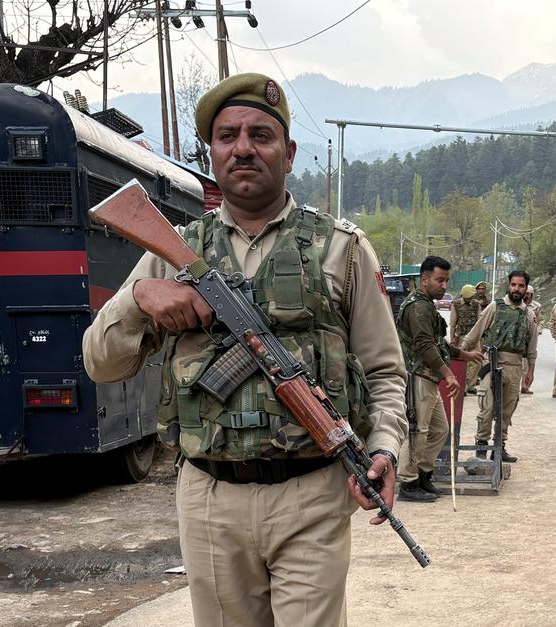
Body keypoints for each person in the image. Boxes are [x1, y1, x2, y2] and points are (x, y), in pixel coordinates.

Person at [82, 73, 407, 626]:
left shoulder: (342, 249)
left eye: (261, 134)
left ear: (289, 151)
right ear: (211, 153)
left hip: (312, 491)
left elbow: (383, 371)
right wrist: (140, 298)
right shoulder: (176, 249)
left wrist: (385, 448)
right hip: (211, 497)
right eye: (228, 135)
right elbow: (100, 361)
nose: (244, 148)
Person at [397, 256, 483, 502]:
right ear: (424, 280)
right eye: (439, 280)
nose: (444, 286)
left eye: (446, 280)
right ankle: (408, 482)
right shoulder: (418, 307)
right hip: (418, 376)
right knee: (417, 431)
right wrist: (449, 374)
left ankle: (423, 475)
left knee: (438, 430)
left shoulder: (427, 305)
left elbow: (437, 343)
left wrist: (464, 355)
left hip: (429, 377)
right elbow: (424, 345)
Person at [461, 270, 537, 463]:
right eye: (513, 285)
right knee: (487, 409)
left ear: (526, 288)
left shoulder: (528, 315)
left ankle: (499, 448)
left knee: (506, 411)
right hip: (492, 362)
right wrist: (460, 354)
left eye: (521, 286)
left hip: (514, 367)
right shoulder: (495, 306)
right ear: (508, 285)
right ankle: (481, 450)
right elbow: (475, 332)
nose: (516, 289)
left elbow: (532, 347)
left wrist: (530, 372)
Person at [450, 283, 483, 394]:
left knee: (477, 362)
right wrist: (452, 338)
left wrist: (480, 337)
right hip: (461, 337)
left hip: (474, 338)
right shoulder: (456, 304)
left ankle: (470, 385)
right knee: (462, 362)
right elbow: (453, 323)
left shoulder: (476, 304)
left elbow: (480, 322)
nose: (471, 298)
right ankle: (462, 386)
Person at [521, 285, 543, 394]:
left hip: (530, 337)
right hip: (519, 336)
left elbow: (539, 321)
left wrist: (537, 331)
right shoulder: (518, 304)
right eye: (525, 293)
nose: (526, 296)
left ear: (531, 295)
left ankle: (525, 386)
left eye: (528, 294)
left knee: (528, 361)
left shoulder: (536, 306)